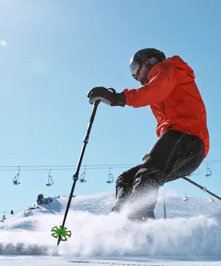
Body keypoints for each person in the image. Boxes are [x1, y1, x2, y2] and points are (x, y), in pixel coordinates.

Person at [87, 48, 209, 221]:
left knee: (147, 174)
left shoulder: (167, 69)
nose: (135, 76)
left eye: (135, 68)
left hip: (188, 136)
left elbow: (152, 92)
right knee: (126, 179)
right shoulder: (160, 82)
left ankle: (140, 223)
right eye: (132, 73)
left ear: (149, 61)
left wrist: (116, 98)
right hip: (185, 148)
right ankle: (118, 220)